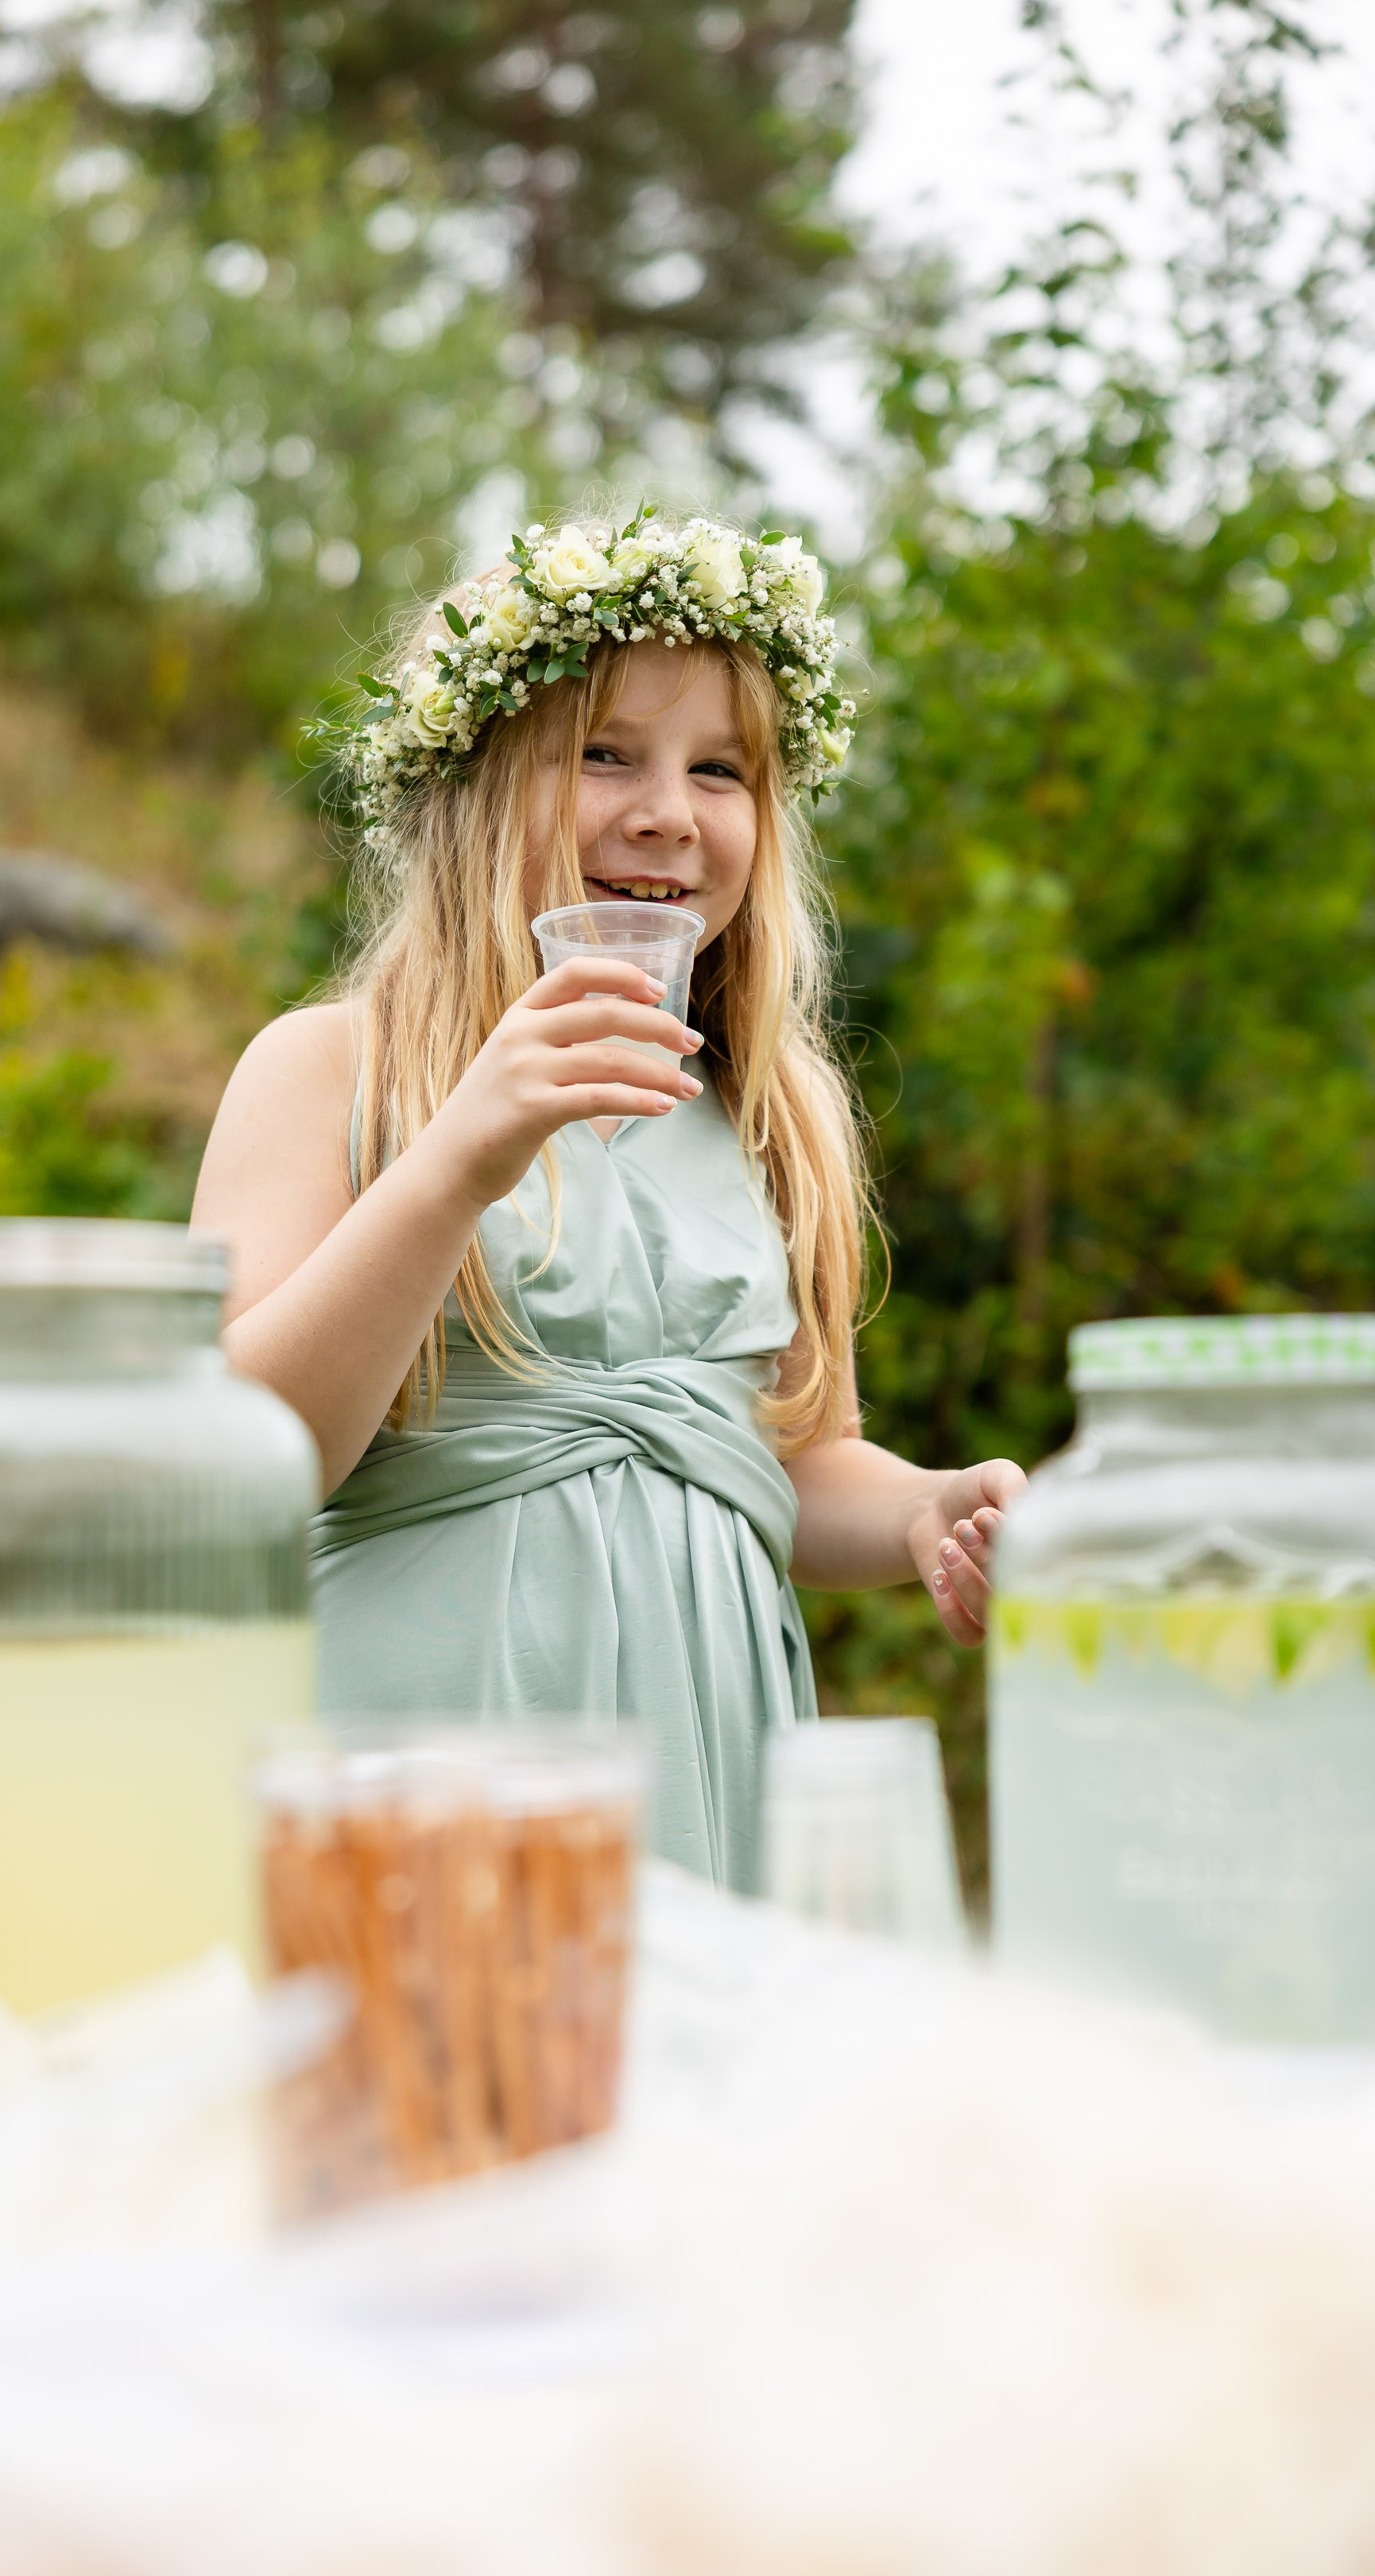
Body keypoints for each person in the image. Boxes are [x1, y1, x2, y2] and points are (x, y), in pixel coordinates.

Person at [192, 510, 1024, 1890]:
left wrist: (924, 1512)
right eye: (602, 754)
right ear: (470, 785)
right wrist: (457, 1162)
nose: (668, 813)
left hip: (709, 1755)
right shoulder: (330, 1067)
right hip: (421, 1750)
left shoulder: (771, 1111)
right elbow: (241, 1467)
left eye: (721, 771)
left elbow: (785, 1458)